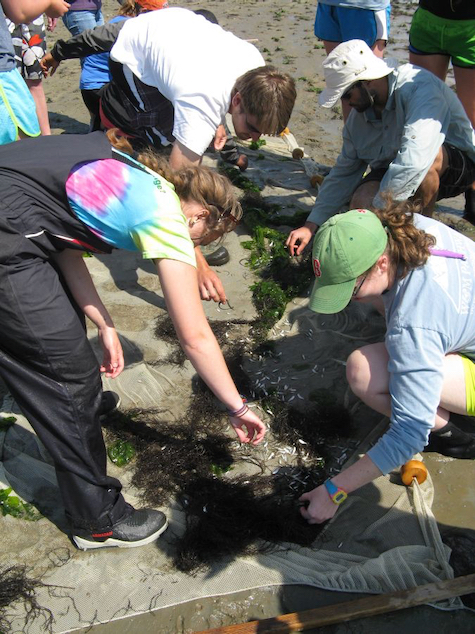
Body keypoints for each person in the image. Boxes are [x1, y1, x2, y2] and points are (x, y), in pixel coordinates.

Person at [0, 129, 266, 550]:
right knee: (64, 374)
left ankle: (76, 407)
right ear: (199, 217)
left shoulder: (143, 176)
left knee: (64, 343)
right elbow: (194, 335)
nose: (190, 248)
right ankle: (96, 520)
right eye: (199, 242)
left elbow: (60, 237)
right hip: (6, 232)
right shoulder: (168, 220)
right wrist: (237, 406)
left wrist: (104, 321)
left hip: (21, 213)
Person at [42, 7, 297, 303]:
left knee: (175, 136)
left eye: (262, 135)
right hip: (133, 65)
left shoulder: (257, 68)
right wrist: (197, 262)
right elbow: (178, 189)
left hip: (173, 30)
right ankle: (106, 122)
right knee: (158, 151)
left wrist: (217, 122)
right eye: (252, 127)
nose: (253, 139)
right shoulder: (201, 99)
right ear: (237, 99)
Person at [299, 201, 475, 524]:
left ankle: (461, 437)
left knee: (363, 372)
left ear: (381, 263)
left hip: (441, 338)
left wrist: (335, 490)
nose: (350, 299)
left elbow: (408, 433)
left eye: (350, 288)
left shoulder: (414, 324)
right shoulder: (411, 226)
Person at [286, 40, 475, 257]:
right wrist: (311, 224)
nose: (346, 104)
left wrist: (377, 212)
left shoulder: (420, 89)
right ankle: (388, 240)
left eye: (347, 95)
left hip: (456, 164)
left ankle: (421, 237)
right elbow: (343, 174)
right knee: (360, 200)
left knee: (426, 162)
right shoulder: (357, 122)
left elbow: (414, 162)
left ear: (366, 82)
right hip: (396, 167)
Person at [409, 0, 475, 222]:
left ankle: (473, 189)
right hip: (430, 19)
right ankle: (423, 190)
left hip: (471, 26)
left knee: (472, 119)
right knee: (422, 111)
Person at [0, 0, 69, 144]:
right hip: (4, 61)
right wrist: (49, 4)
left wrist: (44, 5)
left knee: (35, 79)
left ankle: (46, 141)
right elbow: (20, 12)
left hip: (30, 19)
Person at [314, 0, 391, 120]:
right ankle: (351, 137)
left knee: (372, 86)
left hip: (365, 6)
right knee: (344, 87)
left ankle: (381, 137)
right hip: (329, 4)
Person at [6, 14, 51, 135]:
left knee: (35, 79)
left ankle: (47, 139)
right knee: (8, 79)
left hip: (33, 16)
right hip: (4, 19)